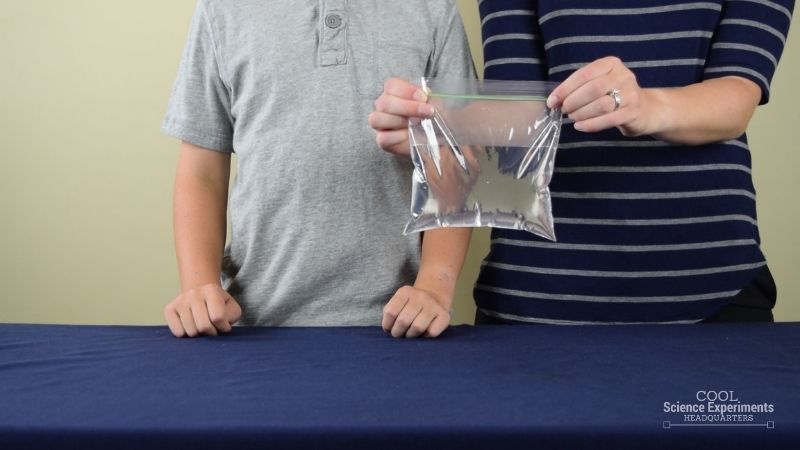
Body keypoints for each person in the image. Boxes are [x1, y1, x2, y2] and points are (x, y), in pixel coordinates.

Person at [369, 0, 793, 324]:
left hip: (713, 291)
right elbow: (516, 123)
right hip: (537, 303)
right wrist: (440, 133)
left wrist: (645, 106)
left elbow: (738, 95)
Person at [161, 0, 475, 338]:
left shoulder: (433, 9)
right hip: (251, 326)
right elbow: (202, 174)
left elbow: (462, 156)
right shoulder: (221, 10)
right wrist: (199, 285)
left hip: (401, 325)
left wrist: (434, 286)